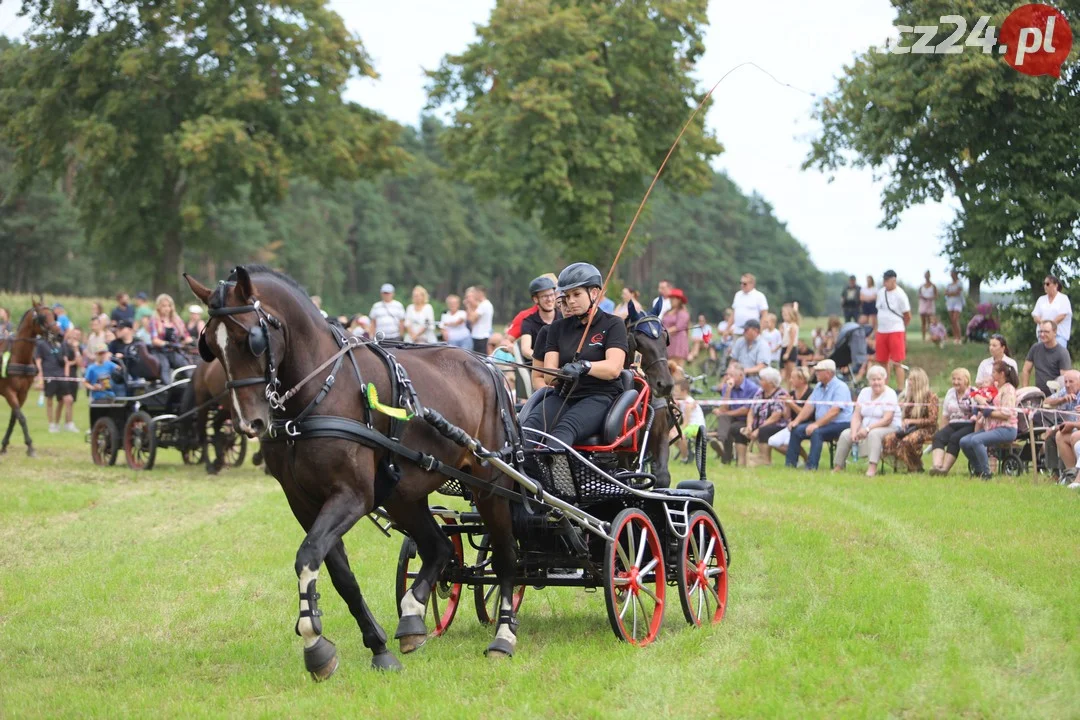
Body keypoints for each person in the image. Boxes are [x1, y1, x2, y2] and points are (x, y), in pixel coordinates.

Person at [522, 262, 628, 447]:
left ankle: (559, 475)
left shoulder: (613, 324)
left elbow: (613, 368)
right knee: (528, 431)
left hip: (600, 396)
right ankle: (524, 474)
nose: (570, 301)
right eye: (567, 296)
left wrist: (584, 366)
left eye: (577, 294)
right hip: (563, 396)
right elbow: (548, 377)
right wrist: (563, 372)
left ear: (594, 293)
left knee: (562, 432)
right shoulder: (556, 328)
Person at [785, 359, 853, 471]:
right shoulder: (818, 387)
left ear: (828, 373)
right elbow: (809, 406)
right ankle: (790, 465)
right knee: (796, 430)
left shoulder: (841, 387)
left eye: (818, 371)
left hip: (841, 423)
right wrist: (796, 421)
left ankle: (811, 467)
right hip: (824, 423)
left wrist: (816, 424)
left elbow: (834, 412)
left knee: (817, 432)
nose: (815, 373)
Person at [833, 365, 900, 476]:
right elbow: (857, 415)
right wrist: (854, 431)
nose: (876, 382)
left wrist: (868, 429)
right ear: (869, 381)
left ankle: (872, 468)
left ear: (884, 380)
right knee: (846, 434)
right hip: (865, 426)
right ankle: (838, 466)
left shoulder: (890, 393)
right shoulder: (864, 392)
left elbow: (887, 419)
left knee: (874, 434)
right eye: (873, 380)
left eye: (879, 379)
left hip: (888, 427)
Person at [959, 361, 1019, 480]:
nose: (991, 374)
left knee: (977, 440)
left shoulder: (1008, 390)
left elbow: (1007, 414)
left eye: (993, 372)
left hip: (1007, 428)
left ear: (1001, 374)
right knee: (964, 441)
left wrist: (989, 412)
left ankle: (987, 473)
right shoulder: (996, 388)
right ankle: (978, 469)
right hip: (992, 428)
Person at [883, 367, 938, 472]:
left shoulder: (931, 396)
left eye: (911, 379)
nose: (909, 382)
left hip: (928, 429)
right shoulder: (909, 396)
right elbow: (905, 416)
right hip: (910, 428)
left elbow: (932, 420)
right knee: (889, 439)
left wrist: (912, 422)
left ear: (918, 381)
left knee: (908, 440)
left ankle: (916, 467)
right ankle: (905, 464)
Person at [708, 362, 760, 465]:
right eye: (727, 375)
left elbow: (745, 410)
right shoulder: (727, 386)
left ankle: (725, 455)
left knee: (730, 424)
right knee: (724, 419)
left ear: (741, 375)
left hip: (747, 419)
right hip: (731, 416)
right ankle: (721, 443)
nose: (728, 377)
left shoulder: (752, 388)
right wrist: (728, 390)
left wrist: (726, 413)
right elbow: (723, 408)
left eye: (732, 375)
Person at [929, 368, 976, 476]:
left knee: (955, 438)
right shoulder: (950, 392)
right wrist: (942, 431)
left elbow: (977, 413)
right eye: (954, 379)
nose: (955, 382)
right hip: (953, 423)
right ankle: (937, 466)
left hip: (968, 424)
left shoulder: (973, 392)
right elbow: (945, 415)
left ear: (966, 380)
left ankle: (944, 469)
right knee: (938, 437)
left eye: (959, 379)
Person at [508, 275, 561, 361]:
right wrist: (546, 361)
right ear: (536, 299)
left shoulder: (563, 318)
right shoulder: (528, 322)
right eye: (545, 296)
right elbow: (526, 350)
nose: (550, 299)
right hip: (538, 368)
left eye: (552, 295)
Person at [744, 367, 789, 466]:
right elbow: (751, 411)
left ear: (770, 382)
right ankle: (740, 458)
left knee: (764, 430)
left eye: (762, 379)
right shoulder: (760, 392)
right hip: (759, 423)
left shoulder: (781, 393)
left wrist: (759, 429)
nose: (760, 381)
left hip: (777, 425)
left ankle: (765, 459)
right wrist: (749, 425)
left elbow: (776, 416)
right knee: (738, 428)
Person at [875, 269, 911, 389]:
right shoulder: (881, 293)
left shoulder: (900, 294)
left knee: (897, 361)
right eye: (884, 280)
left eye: (887, 280)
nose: (885, 283)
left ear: (893, 280)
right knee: (882, 360)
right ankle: (884, 386)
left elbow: (907, 315)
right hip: (882, 330)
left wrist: (902, 328)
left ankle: (900, 388)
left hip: (895, 329)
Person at [768, 366, 813, 460]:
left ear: (802, 380)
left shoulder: (811, 393)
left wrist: (791, 404)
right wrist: (786, 405)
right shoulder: (791, 393)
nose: (790, 380)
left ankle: (796, 460)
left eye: (793, 378)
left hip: (809, 423)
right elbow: (787, 416)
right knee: (772, 441)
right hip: (793, 424)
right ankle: (804, 457)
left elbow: (805, 414)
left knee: (790, 441)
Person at [34, 336, 77, 433]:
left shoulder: (61, 343)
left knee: (67, 399)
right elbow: (38, 359)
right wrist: (40, 372)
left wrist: (66, 375)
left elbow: (65, 360)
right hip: (49, 374)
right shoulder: (42, 344)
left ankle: (65, 424)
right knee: (49, 400)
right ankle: (51, 425)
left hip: (61, 375)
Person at [1041, 370, 1080, 477]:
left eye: (1071, 382)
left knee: (1058, 433)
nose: (1067, 385)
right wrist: (1062, 400)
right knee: (1051, 435)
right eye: (1065, 381)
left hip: (1076, 428)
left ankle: (1071, 473)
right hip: (1070, 426)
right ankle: (1055, 473)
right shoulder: (1065, 391)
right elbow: (1046, 401)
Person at [1021, 321, 1072, 394]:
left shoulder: (1062, 353)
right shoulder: (1035, 348)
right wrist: (1025, 391)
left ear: (1055, 332)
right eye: (1040, 331)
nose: (1042, 334)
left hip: (1055, 395)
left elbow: (1065, 379)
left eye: (1046, 332)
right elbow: (1026, 370)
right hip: (1038, 394)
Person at [148, 293, 190, 381]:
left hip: (174, 351)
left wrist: (188, 341)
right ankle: (167, 388)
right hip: (159, 351)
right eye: (164, 306)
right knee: (165, 366)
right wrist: (166, 343)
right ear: (159, 307)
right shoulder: (154, 320)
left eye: (169, 306)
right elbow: (154, 340)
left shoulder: (177, 320)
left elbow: (186, 335)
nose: (167, 308)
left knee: (186, 365)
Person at [1031, 274, 1072, 347]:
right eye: (1044, 284)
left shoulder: (1063, 299)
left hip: (1059, 336)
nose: (1045, 286)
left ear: (1055, 285)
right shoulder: (1041, 299)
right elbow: (1035, 315)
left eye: (1047, 284)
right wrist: (1042, 323)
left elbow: (1062, 316)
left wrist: (1049, 326)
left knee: (1058, 357)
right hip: (1042, 336)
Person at [672, 379, 706, 464]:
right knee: (672, 435)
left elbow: (686, 423)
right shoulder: (681, 402)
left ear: (684, 391)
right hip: (690, 426)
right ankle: (687, 452)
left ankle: (685, 458)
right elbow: (677, 419)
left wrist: (677, 430)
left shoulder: (688, 403)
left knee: (680, 435)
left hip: (696, 426)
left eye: (676, 391)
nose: (674, 393)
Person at [663, 288, 690, 367]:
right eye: (671, 298)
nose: (671, 300)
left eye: (673, 298)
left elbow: (678, 327)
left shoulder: (683, 313)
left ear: (679, 300)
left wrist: (665, 331)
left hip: (678, 342)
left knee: (676, 367)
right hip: (667, 341)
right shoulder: (667, 312)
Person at [465, 285, 494, 354]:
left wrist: (468, 306)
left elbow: (471, 319)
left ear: (480, 293)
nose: (474, 296)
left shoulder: (484, 305)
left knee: (480, 359)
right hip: (480, 335)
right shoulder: (483, 304)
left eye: (475, 293)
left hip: (481, 336)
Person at [780, 303, 801, 385]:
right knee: (785, 372)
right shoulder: (785, 325)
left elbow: (791, 341)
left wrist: (787, 353)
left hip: (790, 349)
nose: (783, 316)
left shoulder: (793, 326)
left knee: (791, 371)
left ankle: (791, 387)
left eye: (785, 315)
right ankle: (788, 387)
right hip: (784, 347)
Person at [944, 270, 964, 344]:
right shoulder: (949, 284)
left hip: (958, 303)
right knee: (952, 321)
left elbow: (958, 293)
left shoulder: (959, 283)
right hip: (950, 303)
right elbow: (945, 293)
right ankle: (955, 337)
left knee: (955, 319)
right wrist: (951, 293)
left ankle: (959, 337)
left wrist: (950, 293)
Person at [917, 271, 937, 342]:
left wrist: (930, 298)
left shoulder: (933, 286)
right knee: (923, 322)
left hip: (930, 305)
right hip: (923, 305)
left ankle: (931, 337)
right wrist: (922, 297)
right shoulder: (921, 286)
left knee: (930, 322)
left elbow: (936, 295)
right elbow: (918, 295)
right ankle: (923, 337)